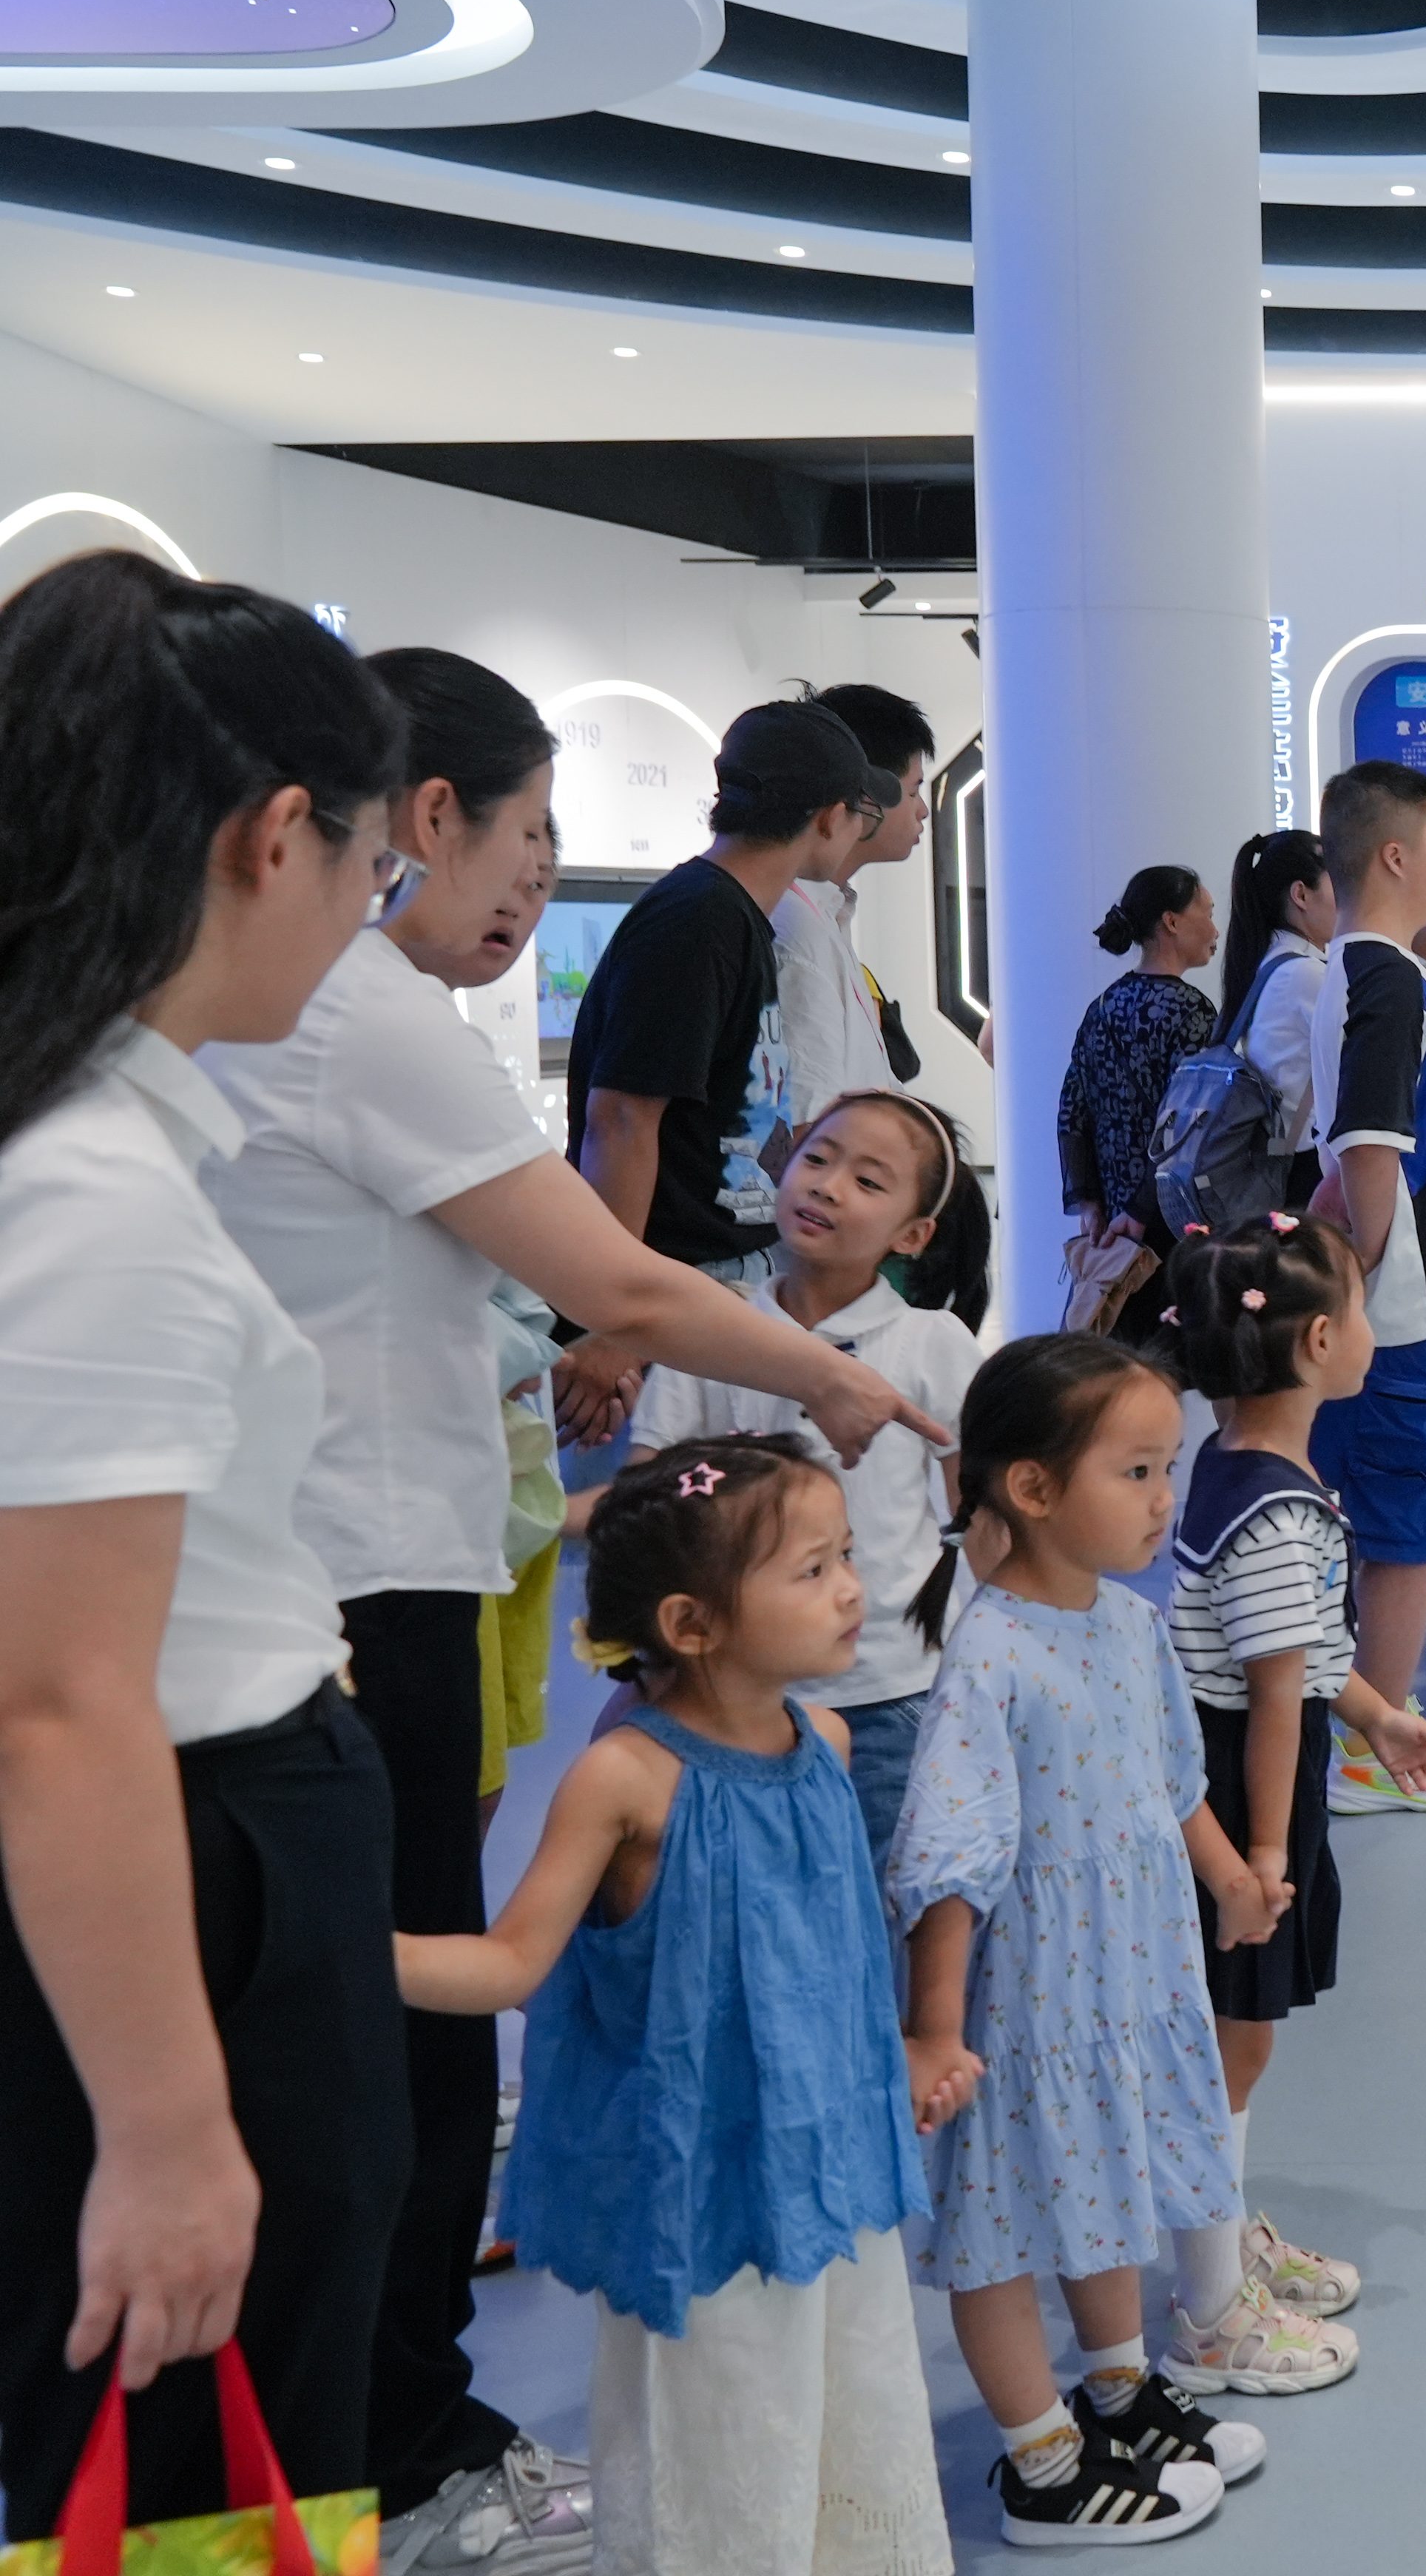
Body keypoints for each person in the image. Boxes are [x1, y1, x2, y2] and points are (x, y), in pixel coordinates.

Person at [197, 647, 942, 2566]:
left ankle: (381, 2428)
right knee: (386, 2068)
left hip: (364, 1568)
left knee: (373, 2043)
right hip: (357, 1584)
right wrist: (832, 1376)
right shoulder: (358, 1016)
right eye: (527, 831)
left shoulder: (276, 1019)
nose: (537, 874)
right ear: (411, 816)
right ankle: (406, 2444)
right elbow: (620, 1264)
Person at [0, 553, 408, 2543]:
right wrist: (166, 2135)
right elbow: (58, 1704)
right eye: (367, 873)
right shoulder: (93, 1192)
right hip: (199, 1870)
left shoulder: (83, 1141)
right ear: (275, 837)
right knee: (197, 2469)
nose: (359, 921)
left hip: (204, 1848)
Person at [397, 1437, 950, 2573]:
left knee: (855, 2407)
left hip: (833, 2173)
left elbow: (835, 1959)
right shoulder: (625, 1778)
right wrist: (339, 1953)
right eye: (812, 1570)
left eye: (847, 1556)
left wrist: (896, 2053)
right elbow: (511, 1964)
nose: (853, 1588)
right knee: (723, 2446)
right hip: (700, 2196)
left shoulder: (829, 1743)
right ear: (692, 1624)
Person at [892, 1338, 1264, 2543]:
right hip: (1027, 2006)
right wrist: (936, 2027)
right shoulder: (990, 1656)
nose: (1164, 1499)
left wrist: (1228, 1878)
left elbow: (1170, 1780)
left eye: (1169, 1469)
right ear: (1033, 1488)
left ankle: (1116, 2388)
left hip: (1127, 1974)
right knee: (1001, 2224)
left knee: (1103, 2181)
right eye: (1137, 1472)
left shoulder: (1128, 1626)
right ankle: (1040, 2464)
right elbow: (951, 1859)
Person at [1155, 1215, 1426, 2389]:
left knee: (1237, 2039)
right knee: (1231, 2046)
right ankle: (1209, 2305)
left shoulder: (1237, 1466)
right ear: (1322, 1341)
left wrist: (1379, 1716)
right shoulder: (1279, 1511)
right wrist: (1268, 1858)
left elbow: (1306, 1653)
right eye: (1365, 1309)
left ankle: (1223, 2238)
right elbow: (1275, 1698)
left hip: (1243, 1774)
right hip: (1246, 1789)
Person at [624, 1089, 985, 1865]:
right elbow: (644, 1501)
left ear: (914, 1234)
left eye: (868, 1181)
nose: (827, 1186)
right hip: (736, 1688)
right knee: (753, 1894)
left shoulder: (933, 1341)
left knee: (890, 1897)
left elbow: (980, 1522)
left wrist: (989, 1662)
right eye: (816, 1159)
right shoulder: (713, 1333)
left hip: (893, 1688)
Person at [553, 700, 903, 1439]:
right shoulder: (699, 919)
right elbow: (622, 1121)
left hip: (710, 1281)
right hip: (671, 1285)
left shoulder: (735, 915)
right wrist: (614, 1318)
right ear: (832, 817)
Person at [1299, 765, 1426, 1808]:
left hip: (1414, 1299)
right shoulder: (1383, 978)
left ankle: (1384, 1724)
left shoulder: (1377, 974)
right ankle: (1374, 1749)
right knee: (1405, 1530)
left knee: (1392, 1522)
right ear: (1393, 856)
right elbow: (1370, 1147)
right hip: (1413, 1307)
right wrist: (1372, 1279)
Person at [1053, 865, 1219, 1319]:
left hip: (1111, 1228)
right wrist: (1143, 1209)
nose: (1215, 929)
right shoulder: (1193, 1012)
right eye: (1207, 913)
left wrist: (1090, 1203)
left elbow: (1072, 1111)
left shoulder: (1103, 1007)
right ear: (1172, 921)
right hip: (1169, 1219)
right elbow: (1187, 1123)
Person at [771, 681, 936, 1123]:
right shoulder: (797, 928)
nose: (922, 810)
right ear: (867, 793)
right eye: (913, 791)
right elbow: (809, 1123)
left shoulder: (824, 914)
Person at [1217, 827, 1337, 1217]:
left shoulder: (1269, 961)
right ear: (1301, 894)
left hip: (1277, 1161)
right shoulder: (1305, 973)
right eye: (1337, 881)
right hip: (1300, 1168)